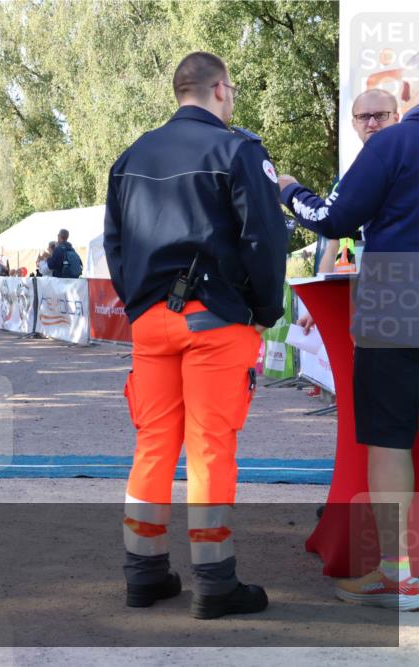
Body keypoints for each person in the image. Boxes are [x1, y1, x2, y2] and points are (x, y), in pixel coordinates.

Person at [104, 52, 287, 619]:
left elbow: (114, 243)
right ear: (221, 90)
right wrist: (262, 309)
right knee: (211, 450)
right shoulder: (238, 151)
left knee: (153, 445)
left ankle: (145, 573)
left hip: (151, 323)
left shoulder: (131, 157)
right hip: (215, 321)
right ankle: (215, 582)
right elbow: (264, 239)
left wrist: (141, 304)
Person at [278, 97, 419, 611]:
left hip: (397, 300)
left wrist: (291, 191)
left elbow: (335, 219)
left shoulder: (393, 144)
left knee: (389, 440)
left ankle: (399, 576)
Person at [299, 89, 399, 330]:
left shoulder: (407, 163)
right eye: (364, 117)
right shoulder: (348, 178)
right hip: (370, 301)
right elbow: (333, 240)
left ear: (397, 118)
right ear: (354, 123)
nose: (372, 123)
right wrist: (321, 303)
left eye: (381, 115)